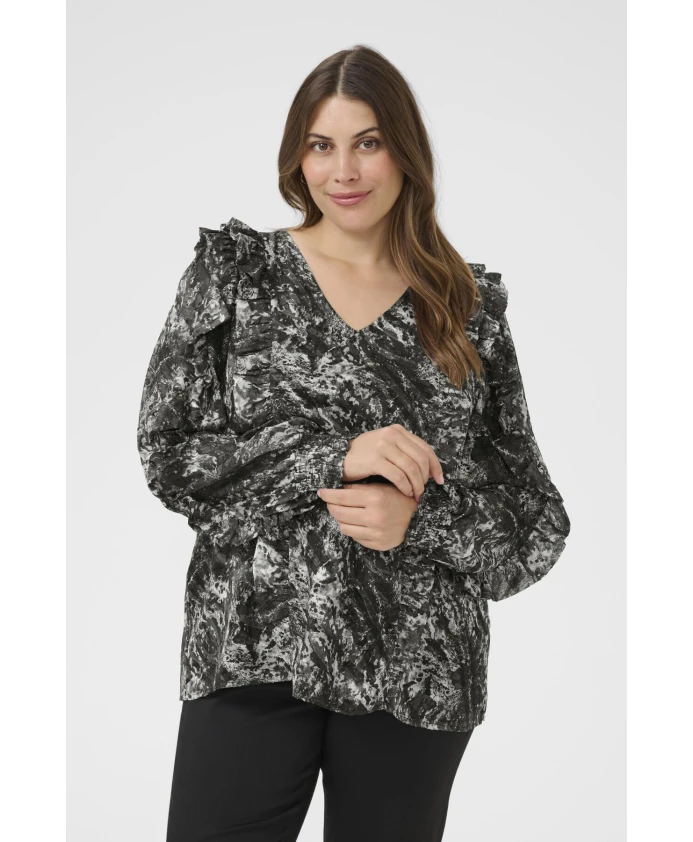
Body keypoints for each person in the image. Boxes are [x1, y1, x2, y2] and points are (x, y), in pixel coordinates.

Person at [136, 44, 571, 842]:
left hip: (417, 668)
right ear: (295, 158)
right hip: (254, 649)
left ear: (404, 151)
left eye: (367, 142)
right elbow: (170, 454)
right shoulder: (240, 275)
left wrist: (419, 521)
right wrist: (334, 457)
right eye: (320, 145)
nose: (342, 170)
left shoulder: (464, 307)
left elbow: (533, 525)